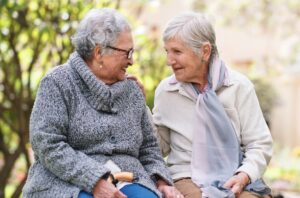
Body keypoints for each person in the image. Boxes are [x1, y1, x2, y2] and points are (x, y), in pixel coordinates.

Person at [22, 8, 183, 198]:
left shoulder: (131, 91)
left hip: (130, 178)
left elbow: (149, 148)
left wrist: (162, 182)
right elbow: (48, 145)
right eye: (127, 52)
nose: (131, 60)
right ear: (99, 53)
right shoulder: (57, 83)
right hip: (67, 182)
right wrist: (94, 179)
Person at [152, 12, 273, 198]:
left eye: (177, 51)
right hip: (186, 177)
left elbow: (259, 144)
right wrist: (139, 110)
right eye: (167, 51)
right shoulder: (166, 91)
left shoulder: (238, 87)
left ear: (205, 51)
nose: (169, 60)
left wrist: (244, 175)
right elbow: (157, 148)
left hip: (235, 174)